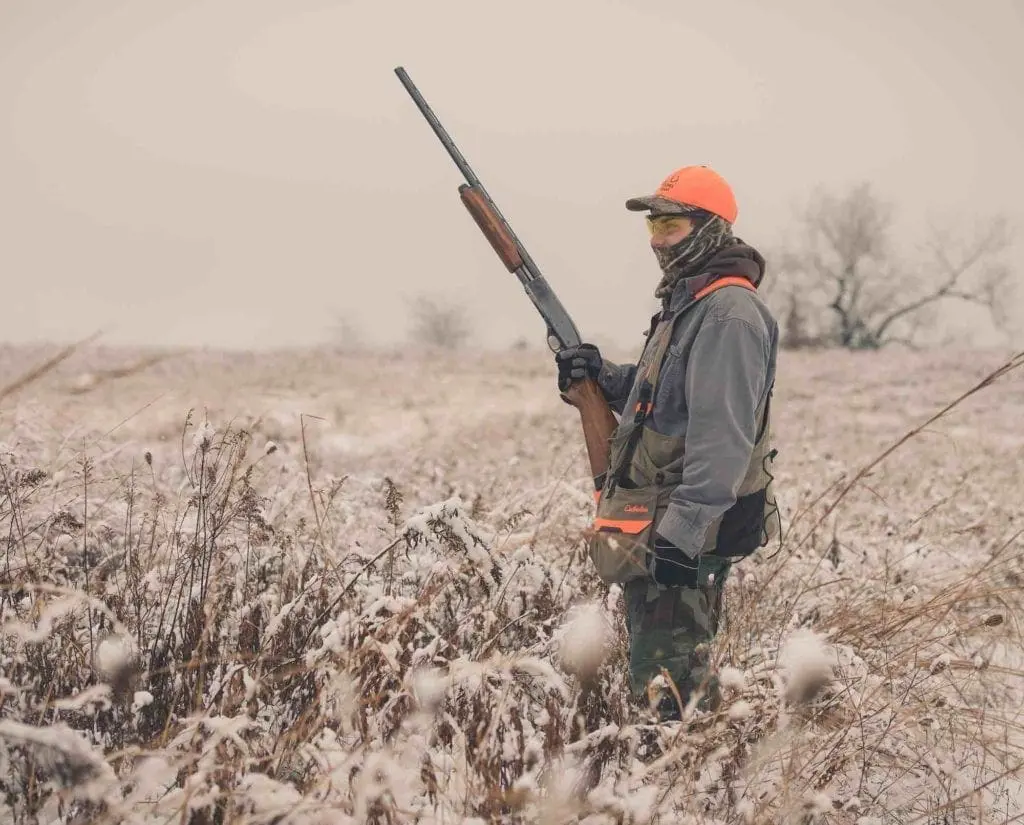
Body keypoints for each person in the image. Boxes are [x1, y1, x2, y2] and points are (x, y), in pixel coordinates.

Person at [556, 165, 780, 721]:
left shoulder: (729, 313)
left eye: (671, 226)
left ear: (710, 228)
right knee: (665, 675)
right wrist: (601, 375)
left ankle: (680, 784)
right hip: (662, 519)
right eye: (653, 227)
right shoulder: (693, 303)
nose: (658, 240)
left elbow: (722, 434)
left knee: (672, 689)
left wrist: (682, 536)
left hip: (682, 529)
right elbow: (665, 395)